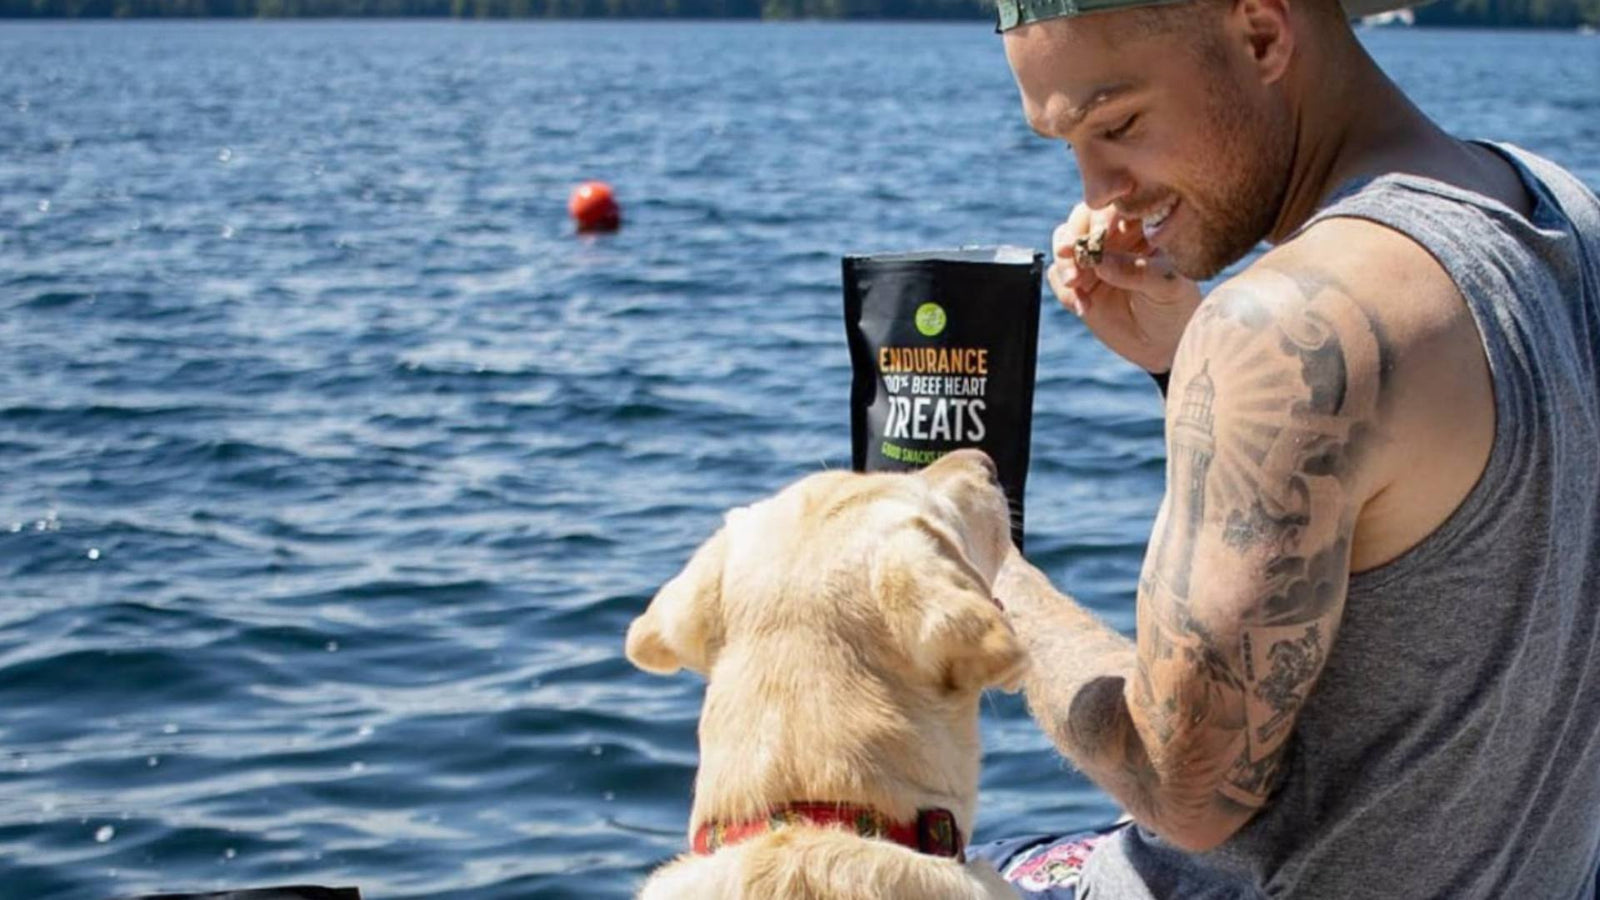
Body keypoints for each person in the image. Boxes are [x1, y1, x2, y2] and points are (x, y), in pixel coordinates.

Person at [967, 0, 1600, 896]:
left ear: (1262, 34)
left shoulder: (1287, 320)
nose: (1098, 187)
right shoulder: (1560, 207)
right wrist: (1180, 360)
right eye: (1066, 143)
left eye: (1117, 124)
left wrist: (992, 583)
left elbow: (1183, 789)